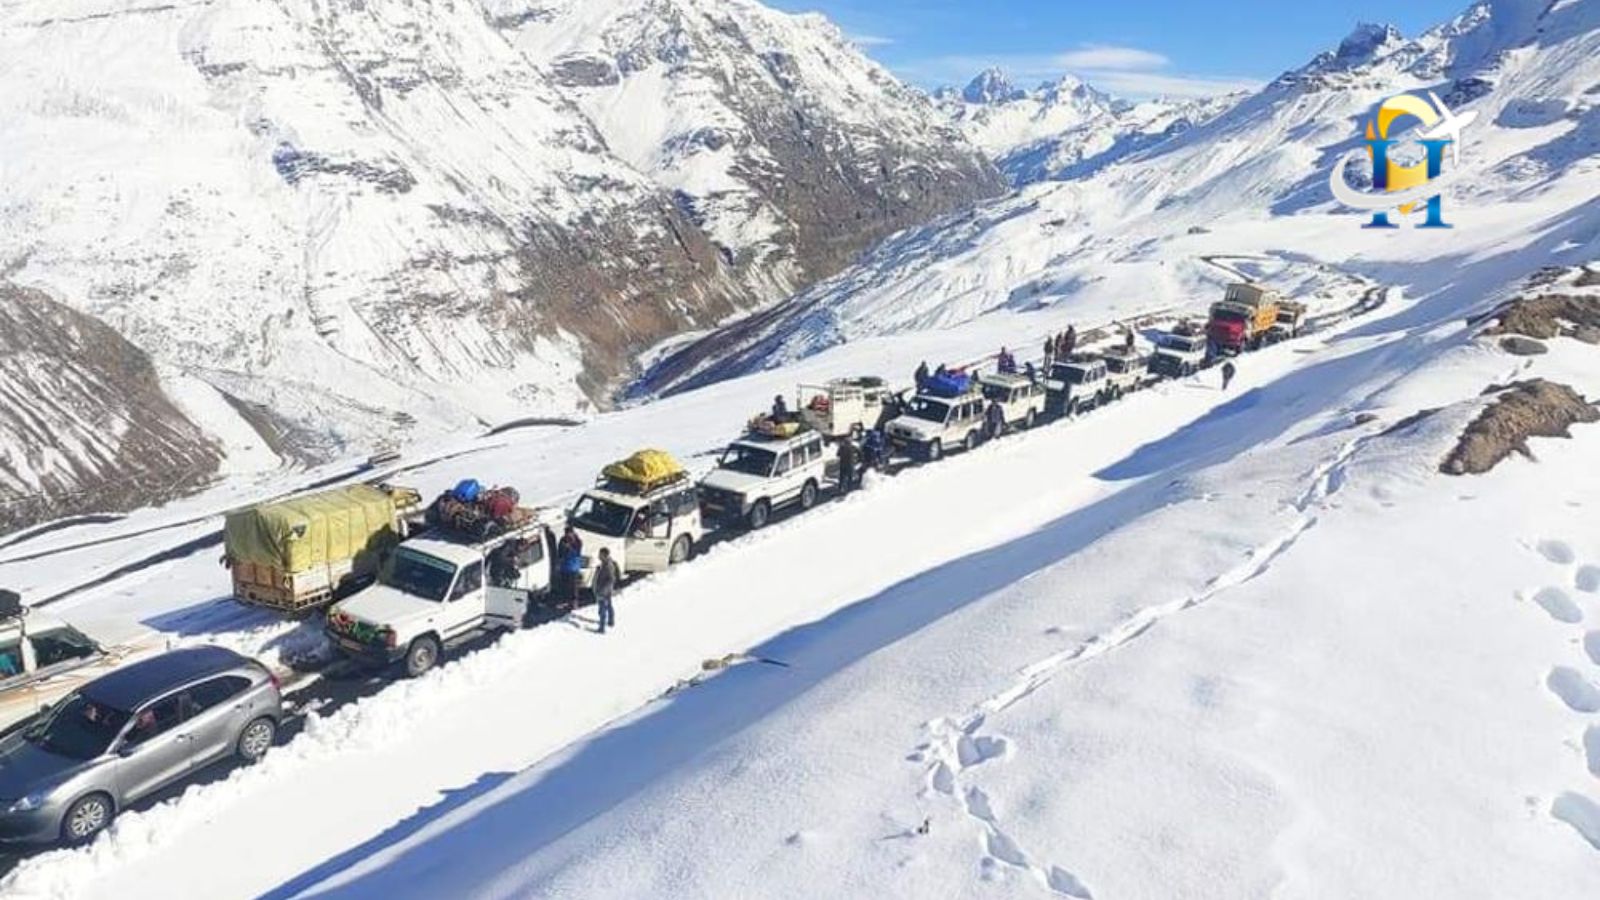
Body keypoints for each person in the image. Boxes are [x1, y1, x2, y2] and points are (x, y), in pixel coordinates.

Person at [592, 547, 620, 634]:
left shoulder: (608, 565)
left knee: (602, 608)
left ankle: (602, 627)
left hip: (604, 590)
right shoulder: (605, 564)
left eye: (600, 554)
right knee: (608, 606)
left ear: (604, 555)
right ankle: (610, 621)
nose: (599, 556)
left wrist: (602, 590)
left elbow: (611, 579)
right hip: (607, 590)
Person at [557, 526, 584, 610]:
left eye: (569, 533)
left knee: (573, 586)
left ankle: (574, 602)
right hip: (564, 566)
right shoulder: (562, 540)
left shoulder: (577, 541)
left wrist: (569, 547)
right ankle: (564, 601)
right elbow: (560, 552)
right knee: (564, 585)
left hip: (573, 566)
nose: (568, 535)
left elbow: (577, 552)